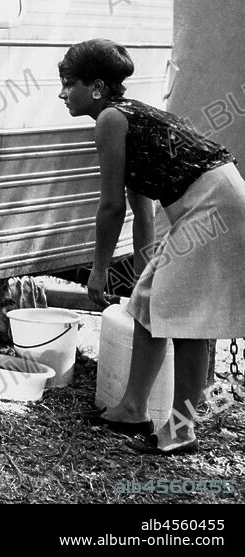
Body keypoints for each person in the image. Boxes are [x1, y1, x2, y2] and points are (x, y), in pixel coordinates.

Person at [59, 39, 245, 455]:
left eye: (69, 83)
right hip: (207, 199)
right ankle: (131, 409)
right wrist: (145, 270)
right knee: (146, 301)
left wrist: (99, 270)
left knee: (186, 318)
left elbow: (110, 208)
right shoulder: (128, 116)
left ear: (97, 87)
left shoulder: (111, 119)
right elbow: (140, 209)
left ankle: (181, 430)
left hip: (215, 203)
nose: (62, 93)